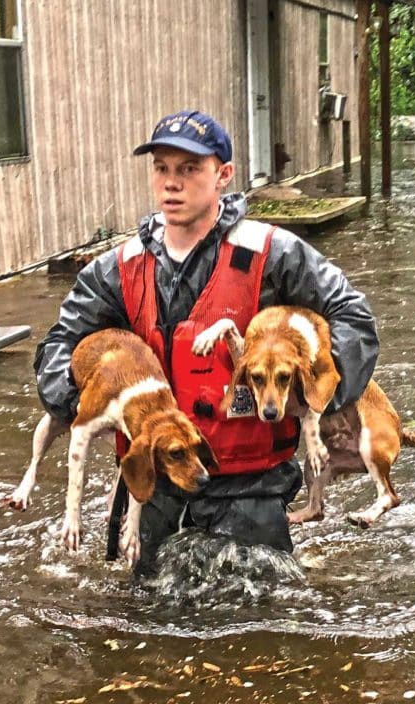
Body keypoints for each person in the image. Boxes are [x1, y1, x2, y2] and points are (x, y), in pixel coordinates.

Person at [34, 109, 378, 575]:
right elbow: (62, 342)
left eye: (189, 169)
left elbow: (353, 315)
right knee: (145, 624)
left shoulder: (274, 253)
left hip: (251, 486)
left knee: (258, 624)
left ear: (223, 175)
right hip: (153, 480)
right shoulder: (117, 268)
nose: (172, 184)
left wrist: (320, 391)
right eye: (162, 169)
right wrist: (76, 402)